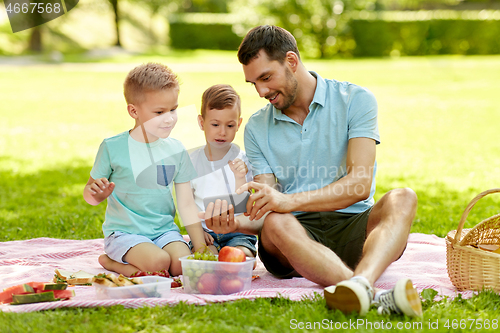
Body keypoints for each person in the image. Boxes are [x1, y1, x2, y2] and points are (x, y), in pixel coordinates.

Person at [201, 25, 422, 317]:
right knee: (277, 222)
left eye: (266, 77)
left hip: (354, 228)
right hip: (293, 241)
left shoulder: (356, 100)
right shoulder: (256, 126)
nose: (261, 91)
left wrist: (288, 201)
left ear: (291, 61)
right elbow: (267, 208)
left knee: (403, 197)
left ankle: (360, 287)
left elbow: (359, 185)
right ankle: (375, 295)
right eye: (253, 83)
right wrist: (236, 224)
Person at [83, 63, 206, 277]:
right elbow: (90, 195)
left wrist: (201, 246)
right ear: (133, 111)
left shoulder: (176, 149)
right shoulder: (112, 147)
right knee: (159, 262)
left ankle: (147, 260)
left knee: (181, 265)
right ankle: (112, 262)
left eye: (173, 109)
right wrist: (97, 195)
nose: (169, 118)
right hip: (125, 234)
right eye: (159, 112)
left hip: (164, 231)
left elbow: (186, 203)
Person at [189, 84, 257, 258]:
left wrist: (240, 178)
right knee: (206, 260)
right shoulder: (191, 161)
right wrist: (197, 234)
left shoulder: (243, 160)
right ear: (201, 122)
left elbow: (244, 205)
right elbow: (187, 204)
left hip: (237, 231)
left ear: (239, 124)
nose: (222, 132)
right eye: (215, 124)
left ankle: (237, 257)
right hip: (207, 233)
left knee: (243, 257)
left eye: (230, 125)